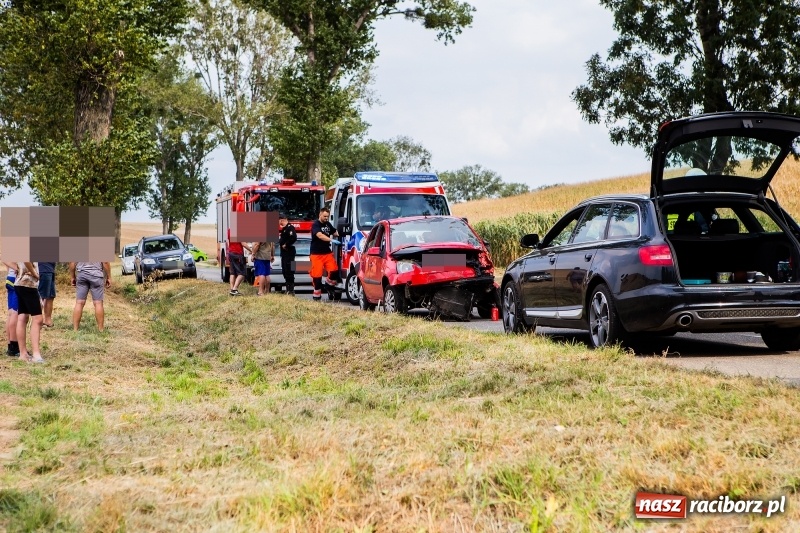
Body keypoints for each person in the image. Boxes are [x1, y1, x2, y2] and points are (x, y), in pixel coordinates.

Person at [69, 262, 111, 332]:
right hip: (96, 275)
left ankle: (75, 329)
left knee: (79, 303)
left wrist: (72, 276)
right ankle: (101, 330)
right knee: (98, 303)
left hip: (82, 274)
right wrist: (109, 277)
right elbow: (105, 262)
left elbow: (72, 262)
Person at [14, 261, 43, 363]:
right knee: (38, 319)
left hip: (19, 282)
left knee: (22, 317)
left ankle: (23, 353)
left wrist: (17, 268)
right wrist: (35, 273)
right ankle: (36, 354)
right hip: (28, 283)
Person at [310, 207, 340, 301]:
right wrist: (331, 240)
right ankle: (317, 296)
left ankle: (328, 285)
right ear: (320, 214)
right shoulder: (316, 224)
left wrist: (338, 232)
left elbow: (335, 232)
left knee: (334, 271)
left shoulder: (328, 224)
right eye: (324, 216)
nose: (326, 218)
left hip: (327, 252)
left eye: (327, 216)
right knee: (317, 277)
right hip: (316, 254)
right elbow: (319, 235)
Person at [226, 227, 251, 296]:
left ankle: (231, 290)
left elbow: (228, 242)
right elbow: (244, 244)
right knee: (242, 273)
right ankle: (235, 289)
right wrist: (251, 251)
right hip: (238, 253)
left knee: (233, 273)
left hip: (231, 252)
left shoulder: (229, 230)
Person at [3, 260, 19, 356]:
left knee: (11, 313)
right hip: (16, 280)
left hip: (11, 277)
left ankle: (11, 345)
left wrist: (10, 269)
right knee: (15, 313)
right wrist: (19, 269)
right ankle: (14, 345)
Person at [278, 212, 297, 295]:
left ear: (282, 220)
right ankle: (288, 289)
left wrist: (286, 244)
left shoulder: (290, 228)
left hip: (289, 254)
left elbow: (293, 237)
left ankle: (291, 290)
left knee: (289, 271)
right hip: (284, 254)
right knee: (285, 271)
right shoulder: (284, 229)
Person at [37, 262, 56, 327]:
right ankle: (37, 320)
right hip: (43, 269)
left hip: (50, 270)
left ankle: (47, 320)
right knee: (41, 296)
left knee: (51, 296)